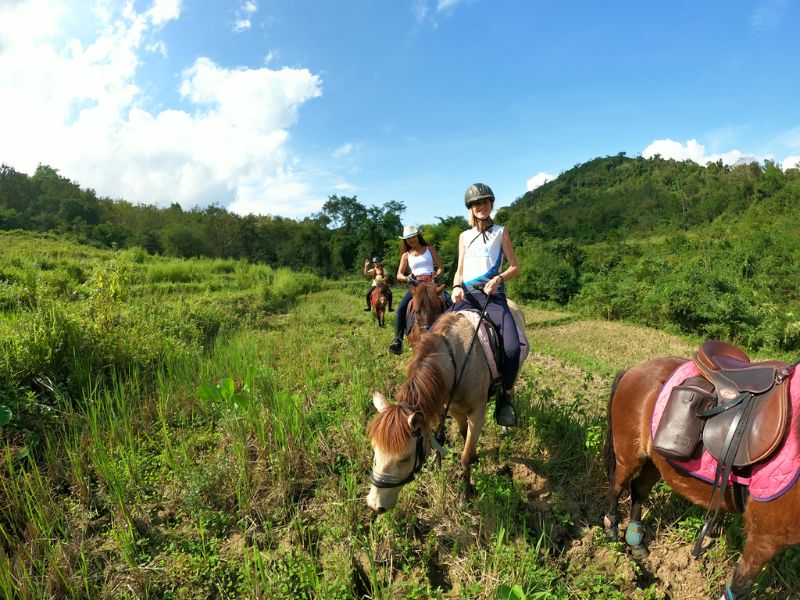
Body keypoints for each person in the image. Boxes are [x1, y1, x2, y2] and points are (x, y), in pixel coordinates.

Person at [451, 183, 521, 426]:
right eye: (476, 203)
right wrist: (456, 287)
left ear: (491, 204)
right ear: (470, 208)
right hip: (467, 296)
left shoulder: (502, 232)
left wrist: (498, 279)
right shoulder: (464, 236)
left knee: (513, 348)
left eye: (485, 202)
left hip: (493, 297)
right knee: (436, 336)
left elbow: (515, 267)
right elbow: (459, 269)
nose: (481, 206)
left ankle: (505, 396)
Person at [387, 225, 445, 355]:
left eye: (413, 237)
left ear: (418, 236)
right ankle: (398, 340)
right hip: (416, 285)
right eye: (408, 239)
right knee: (401, 308)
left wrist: (437, 274)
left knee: (450, 302)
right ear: (405, 241)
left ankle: (455, 334)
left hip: (432, 284)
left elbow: (440, 267)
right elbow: (399, 275)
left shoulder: (430, 249)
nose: (411, 240)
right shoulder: (406, 255)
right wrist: (407, 278)